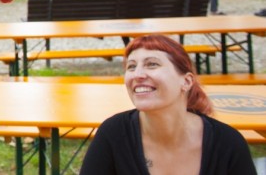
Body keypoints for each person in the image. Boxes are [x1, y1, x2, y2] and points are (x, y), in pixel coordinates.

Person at [80, 35, 255, 174]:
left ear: (186, 81)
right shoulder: (114, 134)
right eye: (131, 67)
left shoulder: (226, 143)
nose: (137, 74)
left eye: (152, 64)